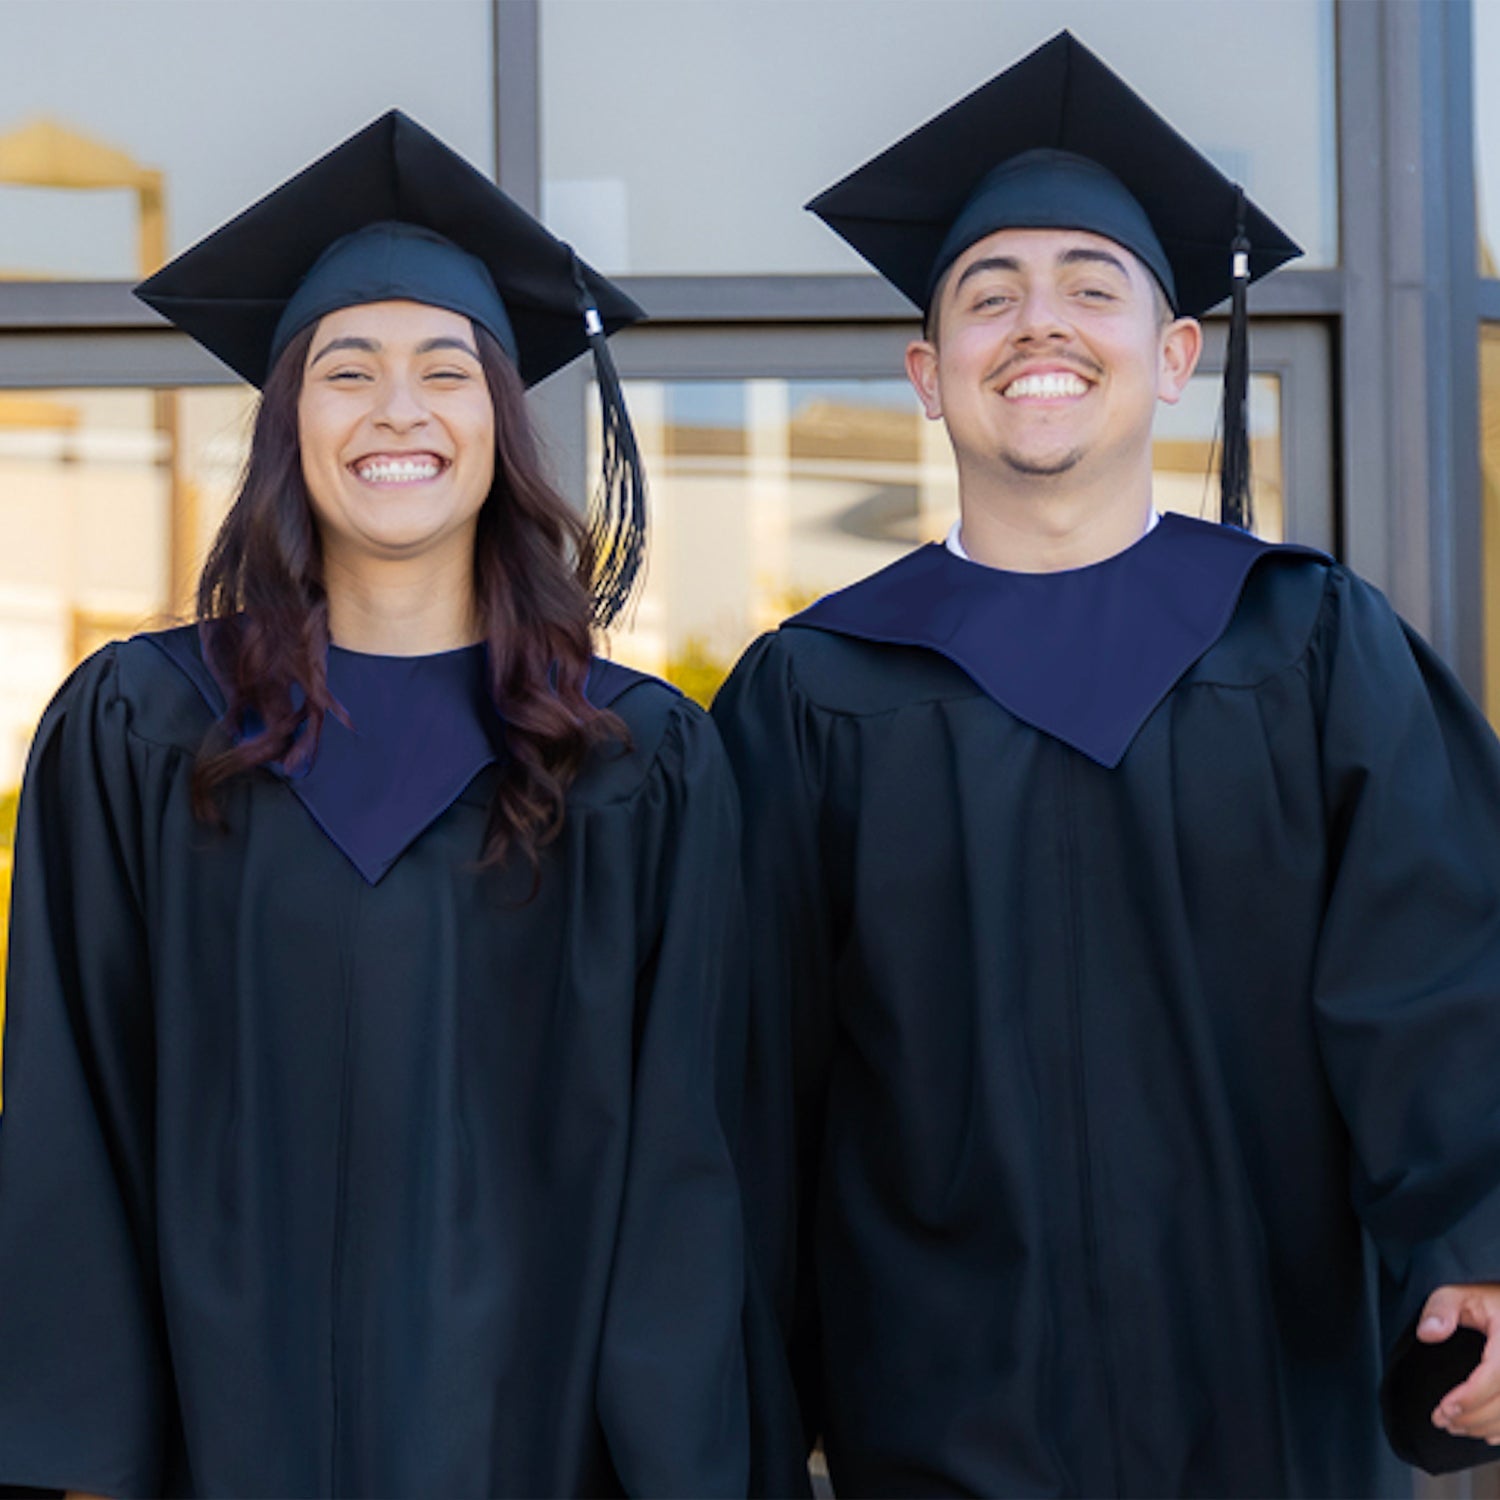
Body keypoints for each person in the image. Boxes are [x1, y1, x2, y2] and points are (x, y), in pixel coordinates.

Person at [712, 31, 1500, 1498]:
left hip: (1271, 1395)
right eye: (988, 295)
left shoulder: (1312, 648)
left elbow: (1441, 978)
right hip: (935, 1417)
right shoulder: (813, 696)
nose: (1039, 324)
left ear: (1178, 356)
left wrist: (1482, 1247)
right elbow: (751, 1085)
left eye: (1093, 286)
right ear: (927, 375)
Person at [0, 110, 762, 1499]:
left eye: (445, 371)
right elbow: (74, 1110)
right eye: (346, 372)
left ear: (501, 418)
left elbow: (684, 1158)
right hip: (213, 1443)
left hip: (533, 1448)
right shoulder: (142, 729)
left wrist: (675, 1456)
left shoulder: (632, 759)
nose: (397, 411)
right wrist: (86, 1459)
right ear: (288, 420)